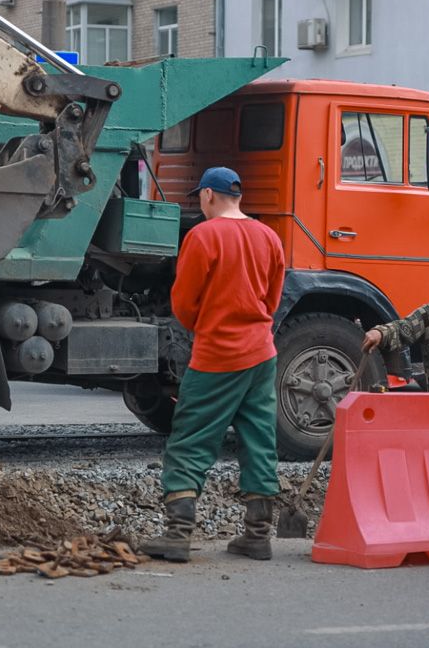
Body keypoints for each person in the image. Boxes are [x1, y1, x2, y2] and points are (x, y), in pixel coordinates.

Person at [140, 167, 286, 563]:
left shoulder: (203, 236)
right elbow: (272, 301)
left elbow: (184, 303)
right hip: (262, 354)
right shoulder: (269, 237)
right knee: (258, 439)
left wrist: (203, 323)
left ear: (208, 196)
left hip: (218, 355)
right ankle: (258, 535)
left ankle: (178, 534)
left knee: (191, 438)